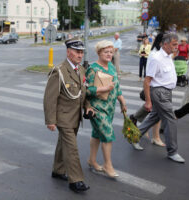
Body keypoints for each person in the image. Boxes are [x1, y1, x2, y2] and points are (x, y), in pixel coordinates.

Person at [43, 37, 94, 193]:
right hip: (63, 117)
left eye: (81, 52)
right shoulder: (59, 71)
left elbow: (81, 93)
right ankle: (76, 180)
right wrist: (50, 120)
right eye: (77, 52)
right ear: (68, 52)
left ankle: (58, 170)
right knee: (72, 148)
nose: (80, 55)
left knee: (63, 144)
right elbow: (49, 98)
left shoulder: (81, 70)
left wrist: (88, 107)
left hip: (75, 117)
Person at [132, 33, 185, 163]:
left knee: (154, 117)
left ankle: (134, 137)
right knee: (170, 119)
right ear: (165, 44)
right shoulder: (156, 57)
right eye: (174, 44)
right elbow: (147, 80)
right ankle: (172, 152)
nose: (176, 46)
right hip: (159, 92)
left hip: (167, 92)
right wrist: (148, 101)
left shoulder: (168, 56)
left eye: (177, 44)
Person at [86, 40, 127, 178]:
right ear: (99, 53)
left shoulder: (111, 67)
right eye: (106, 52)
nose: (109, 54)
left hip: (110, 108)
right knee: (108, 134)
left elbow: (116, 86)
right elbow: (87, 90)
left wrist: (122, 100)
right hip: (97, 108)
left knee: (97, 134)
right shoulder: (93, 69)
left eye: (111, 52)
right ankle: (108, 165)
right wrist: (104, 88)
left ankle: (91, 160)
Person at [130, 33, 165, 147]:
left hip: (160, 87)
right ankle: (152, 136)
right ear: (161, 42)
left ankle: (135, 119)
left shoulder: (162, 54)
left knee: (153, 111)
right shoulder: (155, 54)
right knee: (156, 111)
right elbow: (149, 77)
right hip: (154, 86)